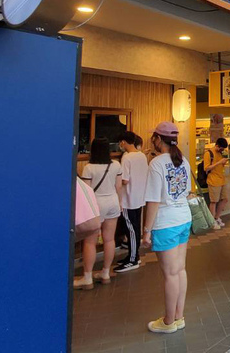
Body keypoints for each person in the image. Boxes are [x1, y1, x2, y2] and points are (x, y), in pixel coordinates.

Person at [141, 122, 193, 334]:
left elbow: (153, 200)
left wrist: (146, 230)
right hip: (183, 218)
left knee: (170, 274)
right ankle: (178, 317)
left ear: (157, 139)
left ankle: (168, 321)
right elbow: (187, 191)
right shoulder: (184, 161)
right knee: (179, 270)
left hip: (166, 222)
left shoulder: (157, 164)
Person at [76, 138, 123, 289]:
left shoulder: (89, 168)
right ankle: (105, 273)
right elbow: (118, 186)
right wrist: (120, 203)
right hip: (113, 202)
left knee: (90, 241)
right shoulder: (116, 165)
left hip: (96, 204)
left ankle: (87, 277)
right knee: (109, 239)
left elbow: (87, 192)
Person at [115, 132, 148, 273]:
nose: (120, 145)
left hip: (128, 198)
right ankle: (134, 255)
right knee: (135, 228)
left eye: (120, 142)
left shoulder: (127, 157)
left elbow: (125, 180)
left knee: (131, 229)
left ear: (124, 142)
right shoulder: (141, 155)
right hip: (139, 197)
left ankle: (133, 259)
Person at [202, 138, 230, 229]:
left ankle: (217, 217)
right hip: (213, 180)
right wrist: (219, 162)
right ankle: (212, 221)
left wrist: (223, 162)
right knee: (214, 201)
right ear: (217, 145)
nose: (222, 150)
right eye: (221, 148)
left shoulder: (221, 153)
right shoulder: (208, 153)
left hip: (222, 179)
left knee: (225, 199)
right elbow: (206, 168)